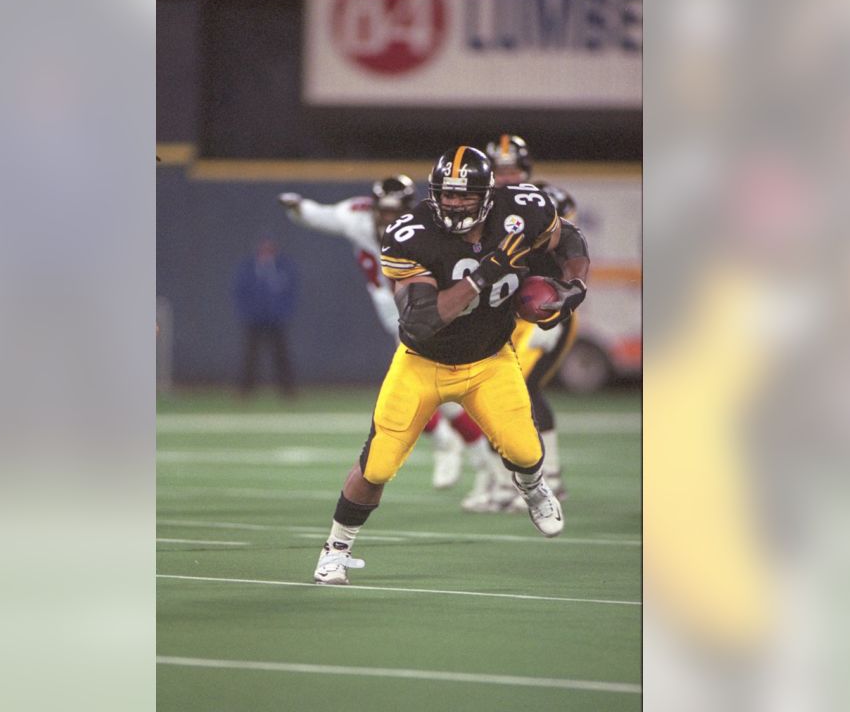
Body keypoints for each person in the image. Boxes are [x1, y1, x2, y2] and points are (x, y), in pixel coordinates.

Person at [312, 146, 589, 584]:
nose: (455, 204)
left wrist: (574, 286)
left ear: (488, 193)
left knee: (524, 452)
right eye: (448, 195)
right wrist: (485, 272)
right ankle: (336, 548)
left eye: (465, 196)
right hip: (423, 362)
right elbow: (422, 321)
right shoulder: (410, 233)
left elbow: (569, 238)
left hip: (489, 359)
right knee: (377, 465)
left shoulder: (522, 208)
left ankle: (535, 488)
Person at [278, 177, 503, 491]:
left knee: (419, 393)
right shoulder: (357, 219)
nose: (388, 220)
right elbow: (323, 215)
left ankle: (461, 451)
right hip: (397, 318)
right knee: (438, 396)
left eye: (394, 213)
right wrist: (298, 207)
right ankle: (480, 461)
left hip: (428, 317)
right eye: (383, 212)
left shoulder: (429, 230)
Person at [463, 134, 585, 513]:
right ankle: (508, 482)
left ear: (527, 170)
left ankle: (543, 479)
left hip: (539, 311)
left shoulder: (545, 200)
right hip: (505, 313)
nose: (505, 177)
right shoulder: (477, 206)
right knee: (494, 393)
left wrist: (566, 289)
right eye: (498, 170)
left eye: (512, 170)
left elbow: (569, 243)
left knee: (522, 390)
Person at [231, 238, 299, 398]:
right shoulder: (249, 268)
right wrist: (247, 312)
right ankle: (245, 391)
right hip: (254, 319)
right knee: (250, 357)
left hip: (276, 319)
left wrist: (283, 312)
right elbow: (240, 292)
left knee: (281, 357)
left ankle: (288, 392)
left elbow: (291, 292)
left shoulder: (282, 268)